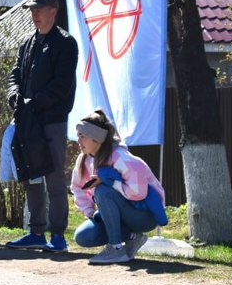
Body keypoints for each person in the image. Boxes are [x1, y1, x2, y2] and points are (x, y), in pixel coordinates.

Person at [6, 0, 80, 253]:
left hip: (51, 120)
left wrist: (33, 102)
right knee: (30, 175)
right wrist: (14, 95)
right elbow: (14, 74)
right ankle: (36, 232)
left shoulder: (66, 43)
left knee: (54, 176)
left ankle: (57, 234)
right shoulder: (26, 42)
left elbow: (61, 85)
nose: (34, 14)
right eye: (32, 10)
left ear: (53, 11)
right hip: (26, 119)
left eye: (39, 9)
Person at [71, 110, 167, 264]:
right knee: (83, 237)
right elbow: (77, 187)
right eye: (78, 135)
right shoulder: (84, 160)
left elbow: (139, 193)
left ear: (96, 138)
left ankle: (116, 249)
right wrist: (90, 212)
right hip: (120, 215)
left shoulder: (120, 157)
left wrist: (109, 182)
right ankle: (133, 238)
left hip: (144, 215)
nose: (78, 140)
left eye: (82, 136)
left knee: (103, 191)